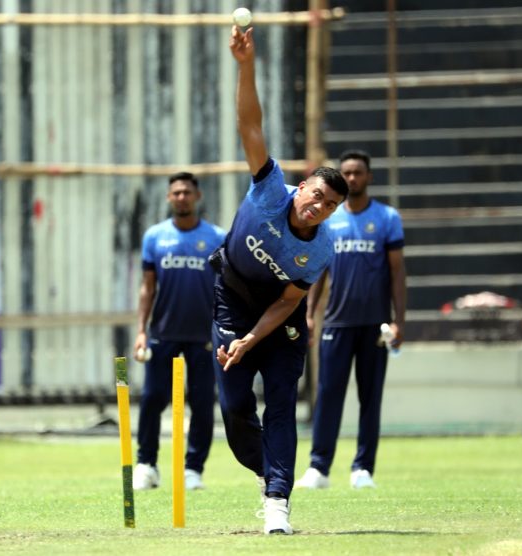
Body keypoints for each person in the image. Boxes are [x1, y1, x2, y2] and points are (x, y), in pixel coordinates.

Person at [210, 25, 348, 535]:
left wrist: (252, 340)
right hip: (230, 297)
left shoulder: (321, 248)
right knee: (235, 406)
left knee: (283, 402)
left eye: (329, 206)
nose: (317, 207)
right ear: (302, 186)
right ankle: (266, 471)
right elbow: (250, 124)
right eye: (315, 195)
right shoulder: (270, 191)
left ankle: (277, 499)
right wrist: (245, 66)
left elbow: (290, 301)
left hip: (278, 318)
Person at [295, 149, 407, 490]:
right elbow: (318, 269)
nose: (353, 178)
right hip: (336, 322)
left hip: (374, 324)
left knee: (370, 397)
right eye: (347, 173)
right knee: (328, 394)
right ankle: (319, 467)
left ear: (369, 177)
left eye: (358, 172)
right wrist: (310, 315)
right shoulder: (330, 219)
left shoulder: (387, 218)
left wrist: (399, 319)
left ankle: (362, 469)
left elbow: (398, 271)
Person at [132, 171, 226, 491]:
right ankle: (147, 464)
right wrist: (141, 331)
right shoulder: (155, 237)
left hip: (204, 335)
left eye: (187, 192)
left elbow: (227, 289)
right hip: (164, 332)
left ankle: (193, 469)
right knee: (152, 399)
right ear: (169, 198)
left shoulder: (216, 237)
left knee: (201, 402)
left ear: (197, 196)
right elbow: (147, 289)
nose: (182, 197)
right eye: (176, 193)